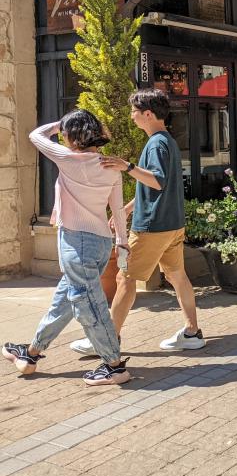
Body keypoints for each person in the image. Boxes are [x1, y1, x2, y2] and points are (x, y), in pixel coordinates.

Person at [70, 89, 205, 358]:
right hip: (172, 223)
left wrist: (126, 166)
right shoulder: (166, 141)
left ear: (148, 114)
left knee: (124, 278)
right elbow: (157, 186)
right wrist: (129, 207)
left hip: (153, 227)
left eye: (134, 111)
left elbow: (157, 180)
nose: (131, 116)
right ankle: (192, 333)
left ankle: (107, 339)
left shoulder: (156, 144)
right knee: (177, 276)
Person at [4, 111, 131, 385]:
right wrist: (122, 242)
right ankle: (31, 354)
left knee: (89, 305)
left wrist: (59, 123)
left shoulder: (68, 158)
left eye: (66, 133)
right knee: (64, 301)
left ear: (73, 135)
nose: (62, 137)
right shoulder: (111, 165)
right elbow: (118, 208)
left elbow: (36, 135)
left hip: (76, 242)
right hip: (100, 242)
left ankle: (114, 365)